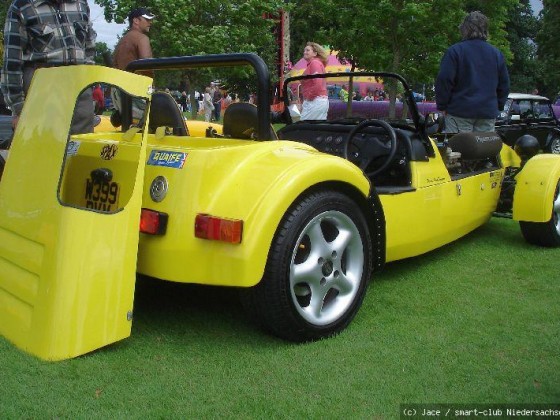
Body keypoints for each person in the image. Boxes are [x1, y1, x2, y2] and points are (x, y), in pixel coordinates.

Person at [1, 0, 97, 134]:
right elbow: (11, 62)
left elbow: (89, 48)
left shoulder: (81, 4)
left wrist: (88, 82)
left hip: (79, 87)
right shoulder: (22, 6)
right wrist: (19, 109)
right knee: (43, 142)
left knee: (81, 144)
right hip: (41, 87)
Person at [435, 11, 510, 133]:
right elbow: (504, 85)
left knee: (459, 150)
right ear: (485, 29)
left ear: (465, 29)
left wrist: (442, 106)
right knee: (484, 150)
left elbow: (444, 80)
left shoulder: (455, 52)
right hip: (487, 113)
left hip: (459, 112)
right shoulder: (496, 54)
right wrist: (498, 106)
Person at [111, 7, 155, 122]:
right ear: (136, 21)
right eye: (147, 19)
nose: (150, 23)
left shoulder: (122, 41)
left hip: (119, 94)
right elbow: (147, 67)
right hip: (136, 93)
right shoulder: (142, 38)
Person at [300, 42, 329, 120]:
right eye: (304, 50)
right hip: (318, 100)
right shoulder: (316, 64)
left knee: (304, 127)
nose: (304, 52)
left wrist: (309, 97)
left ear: (315, 53)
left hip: (315, 100)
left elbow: (317, 83)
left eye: (307, 50)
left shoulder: (315, 63)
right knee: (316, 128)